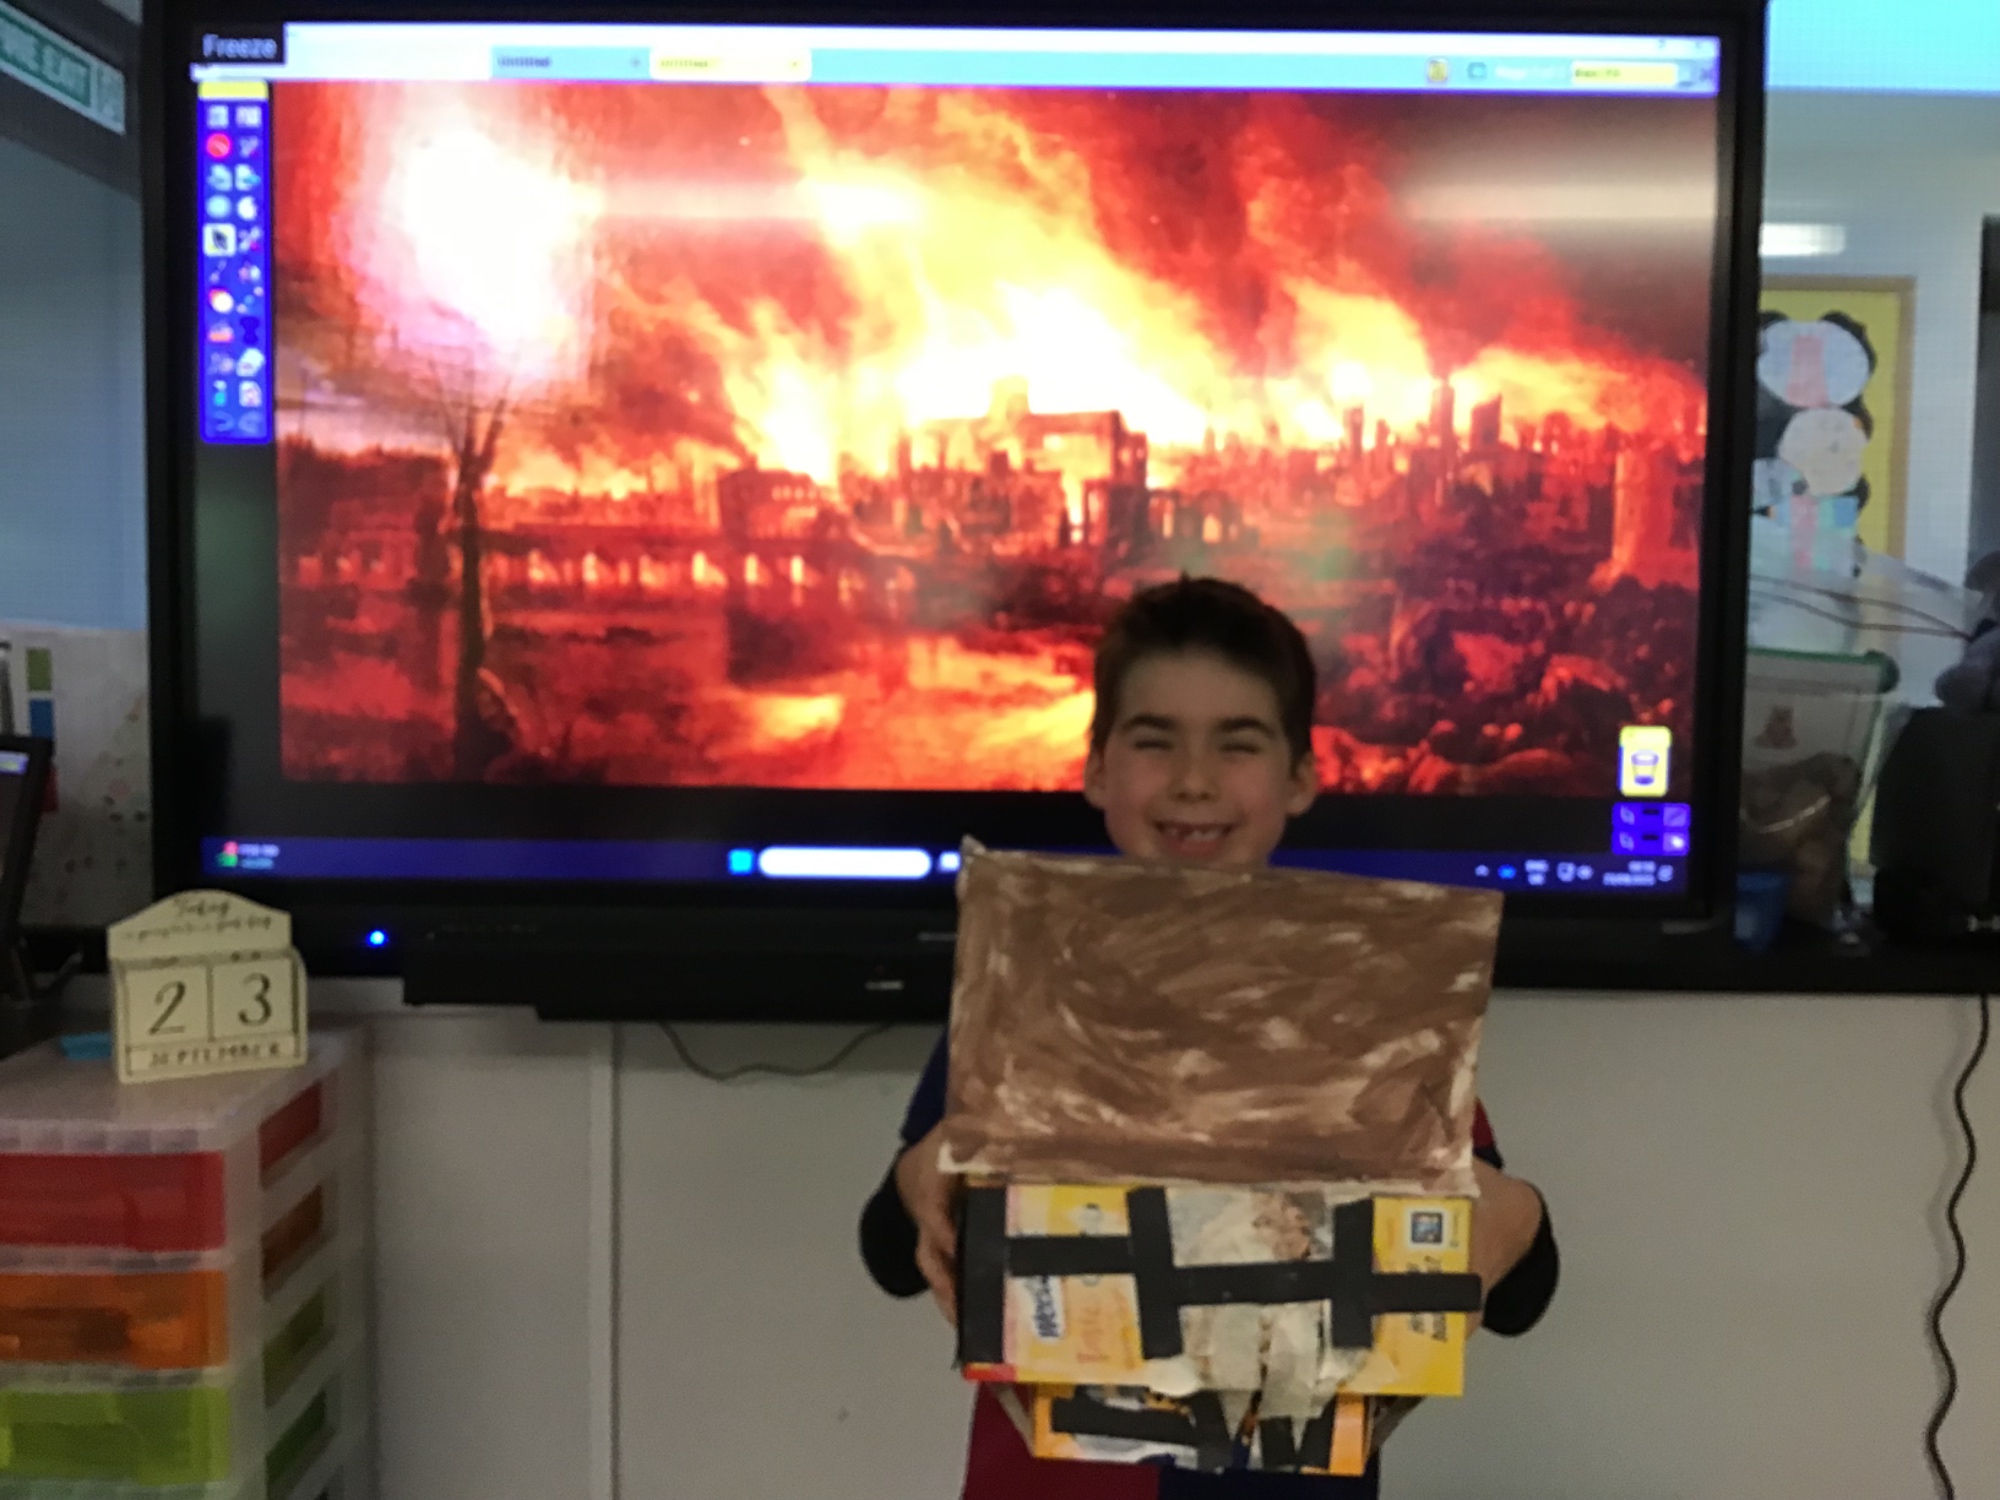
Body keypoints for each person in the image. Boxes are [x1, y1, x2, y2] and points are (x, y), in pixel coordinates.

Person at [858, 576, 1559, 1499]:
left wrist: (1518, 1217)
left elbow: (1520, 1284)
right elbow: (889, 1252)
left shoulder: (1365, 1006)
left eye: (1238, 743)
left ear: (1300, 777)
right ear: (1097, 769)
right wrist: (917, 1182)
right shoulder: (1025, 991)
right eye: (1155, 741)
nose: (1194, 779)